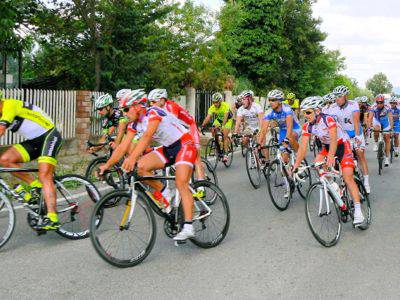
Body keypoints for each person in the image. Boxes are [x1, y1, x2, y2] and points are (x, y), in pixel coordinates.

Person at [99, 89, 197, 241]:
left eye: (126, 109)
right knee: (141, 167)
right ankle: (165, 191)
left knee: (181, 182)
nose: (124, 114)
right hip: (168, 148)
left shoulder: (153, 113)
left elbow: (146, 137)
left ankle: (189, 226)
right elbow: (122, 147)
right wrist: (107, 165)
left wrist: (131, 158)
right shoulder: (134, 123)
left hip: (185, 144)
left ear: (137, 106)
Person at [291, 96, 365, 226]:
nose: (305, 115)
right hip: (327, 147)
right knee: (317, 164)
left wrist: (331, 156)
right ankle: (333, 186)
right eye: (304, 113)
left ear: (318, 111)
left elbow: (334, 138)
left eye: (308, 112)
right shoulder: (307, 127)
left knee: (348, 177)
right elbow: (302, 148)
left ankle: (358, 211)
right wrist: (296, 166)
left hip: (342, 145)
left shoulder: (328, 119)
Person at [0, 91, 63, 230]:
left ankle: (53, 218)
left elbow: (1, 130)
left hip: (49, 135)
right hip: (34, 141)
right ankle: (36, 185)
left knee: (44, 175)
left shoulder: (9, 105)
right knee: (5, 160)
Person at [147, 88, 205, 190]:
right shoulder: (156, 110)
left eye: (153, 102)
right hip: (179, 131)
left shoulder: (170, 106)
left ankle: (201, 186)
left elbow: (170, 126)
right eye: (150, 102)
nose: (151, 104)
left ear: (162, 100)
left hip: (189, 126)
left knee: (196, 154)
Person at [327, 85, 371, 193]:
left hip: (355, 132)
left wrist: (356, 139)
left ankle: (366, 181)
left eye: (339, 96)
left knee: (360, 153)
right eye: (335, 96)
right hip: (342, 135)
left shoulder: (353, 104)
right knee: (339, 157)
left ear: (345, 96)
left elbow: (356, 123)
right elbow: (331, 126)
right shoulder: (332, 108)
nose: (337, 99)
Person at [258, 89, 301, 163]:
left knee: (290, 137)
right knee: (284, 158)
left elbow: (289, 126)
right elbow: (263, 130)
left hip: (294, 128)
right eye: (269, 100)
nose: (271, 102)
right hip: (283, 130)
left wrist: (287, 139)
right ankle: (288, 173)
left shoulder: (287, 109)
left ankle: (299, 157)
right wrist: (259, 143)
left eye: (273, 100)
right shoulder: (269, 111)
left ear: (280, 101)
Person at [201, 92, 233, 162]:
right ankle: (217, 147)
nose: (215, 104)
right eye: (214, 102)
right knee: (213, 130)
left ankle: (225, 154)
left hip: (227, 120)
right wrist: (202, 126)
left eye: (217, 102)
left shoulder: (225, 105)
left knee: (224, 135)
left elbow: (225, 117)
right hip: (219, 119)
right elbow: (208, 117)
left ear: (220, 101)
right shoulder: (212, 107)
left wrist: (223, 126)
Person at [368, 94, 393, 167]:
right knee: (376, 130)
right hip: (377, 120)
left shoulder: (388, 107)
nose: (379, 104)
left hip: (385, 121)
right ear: (376, 102)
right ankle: (375, 143)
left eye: (381, 102)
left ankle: (387, 158)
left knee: (387, 138)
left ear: (384, 102)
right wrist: (370, 127)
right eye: (378, 102)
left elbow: (390, 118)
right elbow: (370, 118)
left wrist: (391, 128)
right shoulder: (373, 107)